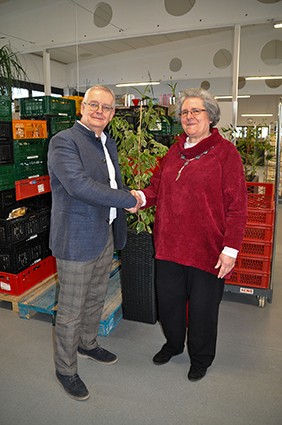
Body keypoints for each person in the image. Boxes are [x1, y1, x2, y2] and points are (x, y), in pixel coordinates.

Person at [137, 88, 247, 382]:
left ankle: (200, 357)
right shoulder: (175, 151)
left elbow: (238, 207)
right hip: (170, 246)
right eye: (185, 112)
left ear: (210, 116)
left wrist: (231, 249)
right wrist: (138, 198)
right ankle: (173, 344)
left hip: (207, 250)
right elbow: (156, 189)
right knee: (169, 303)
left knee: (202, 310)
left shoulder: (226, 154)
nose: (189, 117)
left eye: (196, 111)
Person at [47, 85, 142, 401]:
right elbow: (79, 185)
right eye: (94, 104)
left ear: (113, 113)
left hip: (104, 234)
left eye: (107, 107)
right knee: (71, 308)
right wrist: (127, 198)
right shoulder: (64, 142)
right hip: (76, 240)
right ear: (82, 107)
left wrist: (132, 194)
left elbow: (111, 182)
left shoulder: (107, 143)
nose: (100, 111)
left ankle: (87, 344)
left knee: (95, 297)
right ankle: (66, 369)